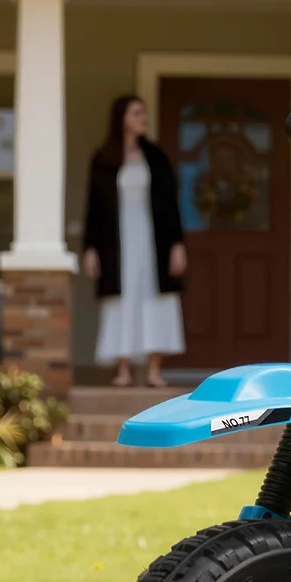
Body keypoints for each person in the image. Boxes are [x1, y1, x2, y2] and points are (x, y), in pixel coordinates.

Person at [82, 93, 187, 389]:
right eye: (137, 113)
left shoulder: (156, 156)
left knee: (156, 299)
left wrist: (177, 245)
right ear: (122, 119)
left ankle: (153, 370)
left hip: (155, 242)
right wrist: (90, 249)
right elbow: (93, 207)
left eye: (144, 113)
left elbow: (171, 204)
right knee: (121, 300)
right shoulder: (103, 159)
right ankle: (123, 370)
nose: (144, 118)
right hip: (115, 244)